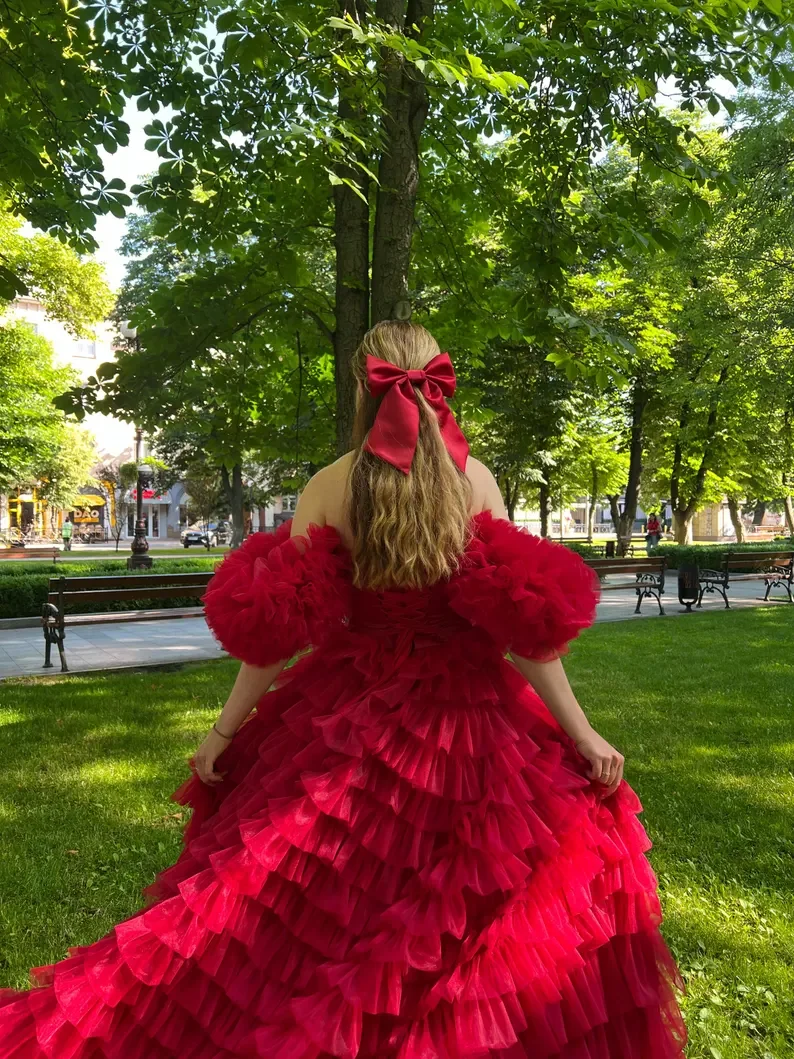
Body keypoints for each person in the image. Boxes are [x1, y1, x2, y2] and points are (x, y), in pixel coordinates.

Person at [0, 322, 685, 1058]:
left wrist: (224, 732)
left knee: (289, 899)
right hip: (473, 721)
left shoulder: (329, 485)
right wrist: (580, 734)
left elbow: (276, 635)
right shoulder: (475, 480)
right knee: (476, 911)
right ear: (438, 384)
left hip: (344, 712)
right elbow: (521, 632)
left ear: (365, 386)